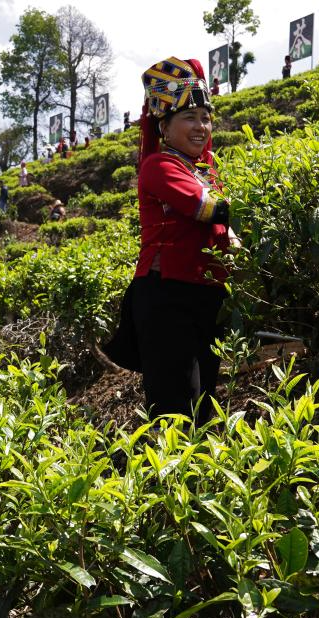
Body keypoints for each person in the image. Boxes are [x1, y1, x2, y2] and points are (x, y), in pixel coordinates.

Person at [106, 56, 239, 424]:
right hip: (168, 295)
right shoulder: (159, 166)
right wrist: (257, 206)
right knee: (175, 406)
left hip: (207, 295)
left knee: (205, 405)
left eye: (206, 118)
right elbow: (205, 208)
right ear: (164, 126)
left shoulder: (206, 171)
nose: (201, 127)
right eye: (190, 118)